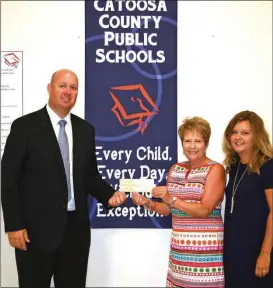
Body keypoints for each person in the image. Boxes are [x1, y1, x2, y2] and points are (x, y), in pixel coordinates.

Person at [1, 69, 127, 288]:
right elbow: (8, 179)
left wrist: (109, 195)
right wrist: (13, 226)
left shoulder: (86, 130)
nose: (68, 92)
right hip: (34, 233)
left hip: (75, 233)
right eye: (62, 86)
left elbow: (89, 175)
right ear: (50, 88)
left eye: (73, 88)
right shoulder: (24, 127)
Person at [132, 117, 226, 287]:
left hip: (205, 255)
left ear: (206, 143)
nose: (192, 146)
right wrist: (148, 203)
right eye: (187, 141)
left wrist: (172, 199)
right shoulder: (175, 169)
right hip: (180, 253)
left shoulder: (216, 169)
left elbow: (204, 210)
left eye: (198, 141)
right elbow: (168, 209)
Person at [222, 110, 273, 288]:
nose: (238, 137)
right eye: (234, 132)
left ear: (256, 136)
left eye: (245, 133)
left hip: (257, 250)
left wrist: (265, 253)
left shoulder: (267, 166)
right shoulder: (233, 166)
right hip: (234, 250)